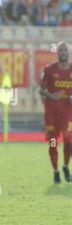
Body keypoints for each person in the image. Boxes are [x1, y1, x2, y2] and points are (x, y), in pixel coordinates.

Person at [39, 41, 72, 184]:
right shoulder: (49, 70)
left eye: (65, 50)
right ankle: (56, 171)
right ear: (57, 52)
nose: (63, 52)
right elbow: (41, 90)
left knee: (69, 141)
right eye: (61, 50)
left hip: (68, 112)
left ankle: (65, 166)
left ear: (69, 52)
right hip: (52, 112)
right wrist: (52, 96)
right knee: (53, 143)